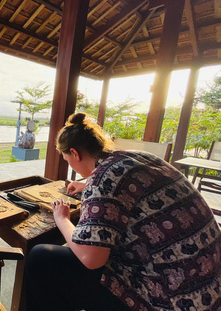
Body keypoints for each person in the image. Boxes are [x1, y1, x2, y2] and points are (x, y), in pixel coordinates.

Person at [25, 112, 221, 311]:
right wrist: (88, 187)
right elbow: (135, 189)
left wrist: (62, 219)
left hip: (174, 297)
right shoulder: (137, 157)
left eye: (67, 159)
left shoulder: (102, 180)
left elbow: (90, 258)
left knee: (41, 257)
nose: (70, 163)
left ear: (75, 153)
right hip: (211, 281)